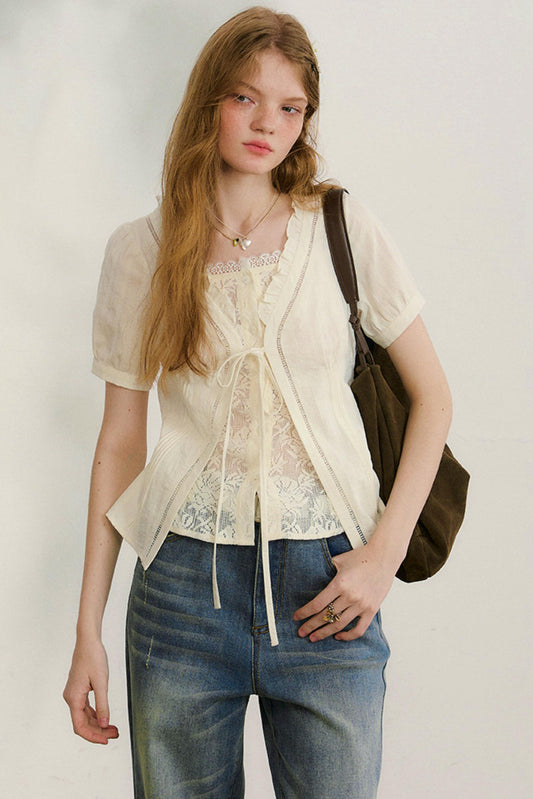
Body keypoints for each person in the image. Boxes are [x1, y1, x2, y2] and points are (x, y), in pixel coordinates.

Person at [63, 6, 452, 798]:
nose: (267, 122)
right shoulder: (141, 250)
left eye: (290, 106)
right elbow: (120, 442)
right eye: (245, 97)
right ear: (208, 100)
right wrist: (86, 630)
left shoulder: (339, 225)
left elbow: (434, 397)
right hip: (180, 589)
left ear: (305, 119)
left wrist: (381, 557)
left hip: (328, 584)